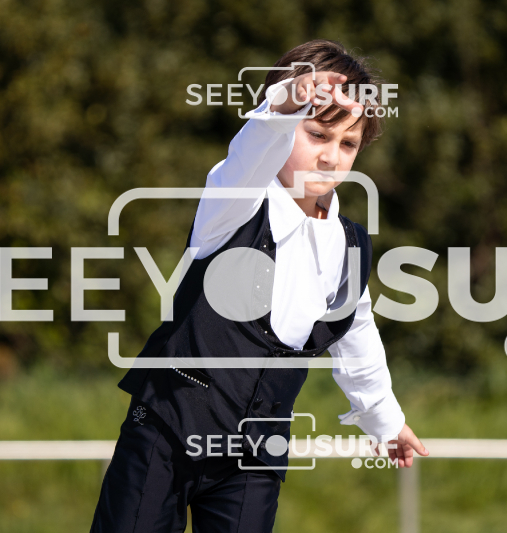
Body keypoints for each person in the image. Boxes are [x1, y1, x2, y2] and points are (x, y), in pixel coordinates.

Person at [90, 39, 429, 533]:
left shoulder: (350, 244)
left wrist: (385, 420)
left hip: (255, 457)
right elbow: (246, 158)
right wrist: (286, 104)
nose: (331, 157)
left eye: (348, 144)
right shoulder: (235, 202)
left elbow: (356, 335)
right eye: (317, 134)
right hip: (165, 432)